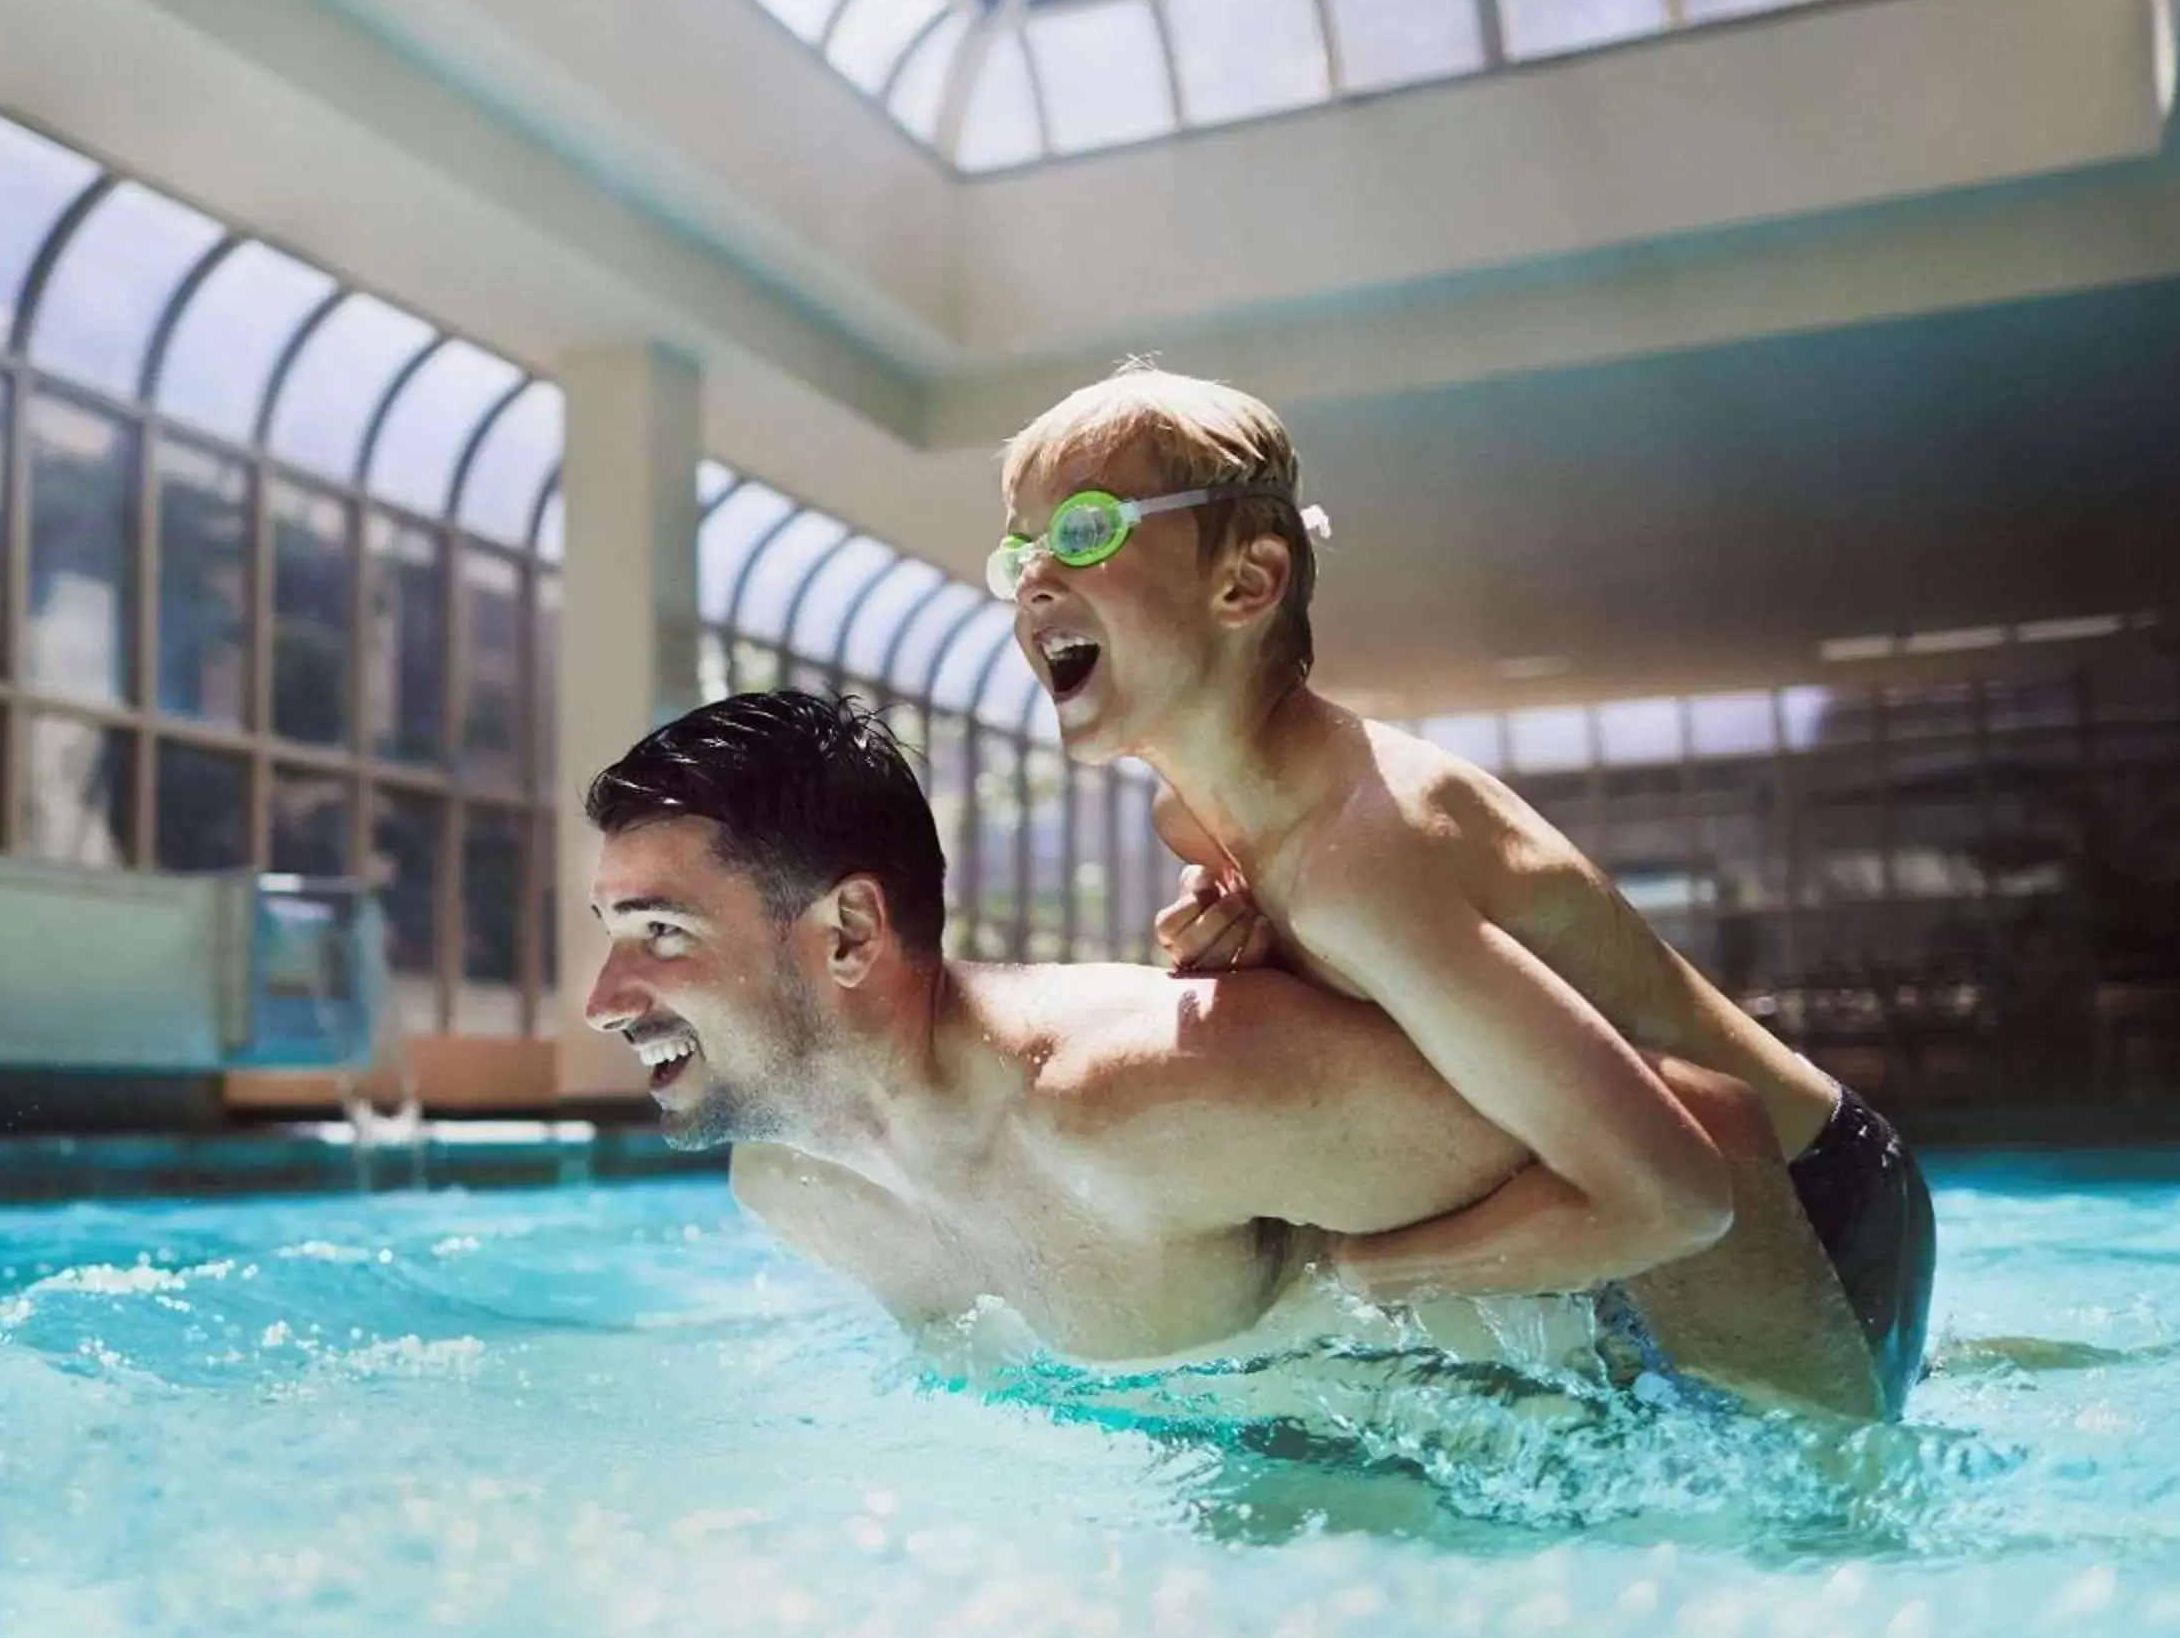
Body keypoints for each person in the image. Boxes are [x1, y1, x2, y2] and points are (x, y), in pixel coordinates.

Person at [989, 365, 1935, 1416]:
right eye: (1020, 548)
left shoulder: (1362, 854)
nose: (1035, 578)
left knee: (1825, 1528)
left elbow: (1673, 1196)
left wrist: (1369, 1271)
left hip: (1807, 1189)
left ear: (1245, 586)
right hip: (1661, 1182)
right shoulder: (1208, 826)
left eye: (1082, 532)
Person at [580, 692, 1885, 1420]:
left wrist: (1829, 1508)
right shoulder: (797, 1188)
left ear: (851, 931)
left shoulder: (1146, 1097)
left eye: (660, 932)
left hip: (1557, 1445)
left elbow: (1704, 1140)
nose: (603, 996)